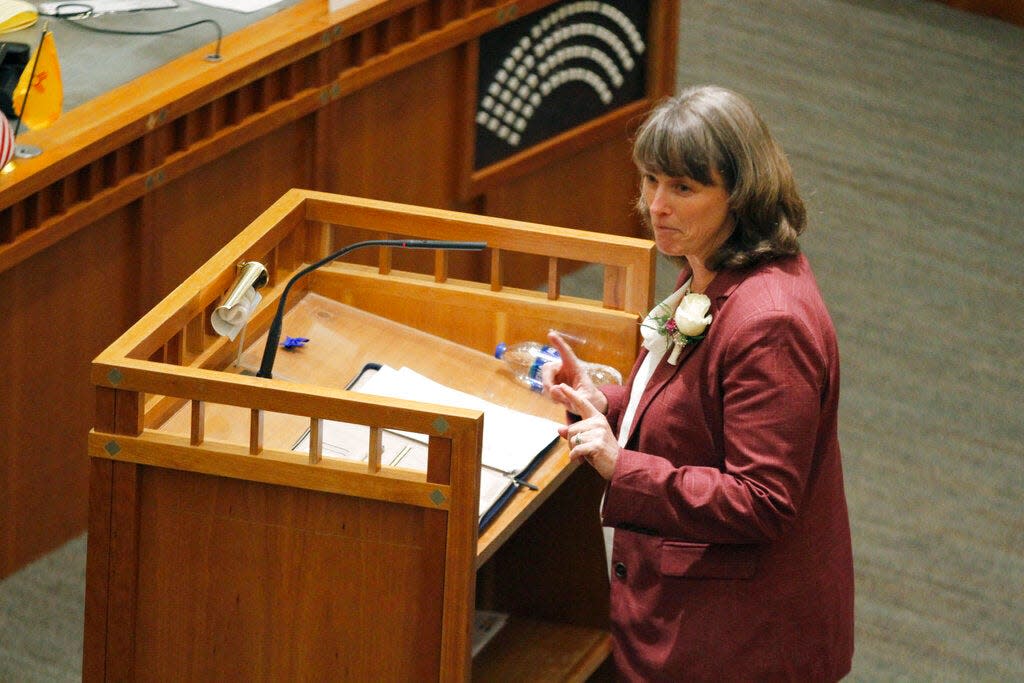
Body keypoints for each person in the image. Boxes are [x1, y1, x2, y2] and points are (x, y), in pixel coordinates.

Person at [541, 85, 855, 681]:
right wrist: (602, 402)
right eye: (650, 181)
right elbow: (688, 416)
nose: (656, 205)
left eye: (683, 188)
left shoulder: (772, 322)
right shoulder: (710, 275)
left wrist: (620, 466)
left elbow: (761, 500)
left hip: (739, 643)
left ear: (740, 195)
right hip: (690, 618)